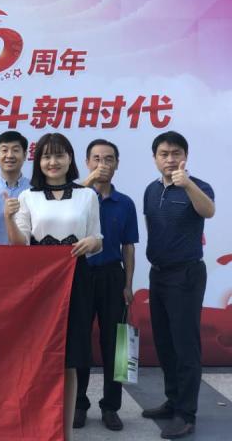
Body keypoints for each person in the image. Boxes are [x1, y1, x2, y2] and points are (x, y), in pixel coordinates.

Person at [6, 133, 102, 441]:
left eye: (59, 155)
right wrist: (9, 219)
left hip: (76, 280)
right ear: (38, 162)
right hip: (40, 284)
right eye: (47, 156)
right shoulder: (28, 197)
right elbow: (20, 244)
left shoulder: (87, 195)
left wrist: (93, 242)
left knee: (69, 358)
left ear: (70, 159)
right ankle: (34, 425)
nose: (53, 162)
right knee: (39, 355)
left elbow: (98, 238)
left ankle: (65, 432)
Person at [141, 131, 215, 439]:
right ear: (155, 158)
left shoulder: (198, 186)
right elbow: (152, 227)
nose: (170, 159)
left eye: (176, 153)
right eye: (164, 154)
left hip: (186, 274)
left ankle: (186, 414)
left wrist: (188, 185)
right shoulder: (150, 190)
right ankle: (173, 400)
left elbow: (208, 211)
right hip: (158, 273)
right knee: (165, 342)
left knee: (185, 346)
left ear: (185, 156)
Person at [74, 139, 139, 432]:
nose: (102, 164)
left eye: (109, 159)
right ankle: (78, 404)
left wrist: (128, 284)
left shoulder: (125, 203)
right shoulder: (74, 196)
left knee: (117, 345)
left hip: (113, 276)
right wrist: (85, 186)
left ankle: (111, 407)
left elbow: (129, 246)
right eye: (97, 158)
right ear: (87, 162)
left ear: (117, 164)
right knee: (79, 341)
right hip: (80, 275)